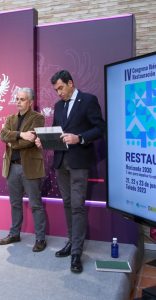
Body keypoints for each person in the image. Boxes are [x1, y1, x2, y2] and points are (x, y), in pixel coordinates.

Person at [36, 70, 105, 273]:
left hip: (79, 162)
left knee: (77, 207)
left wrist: (79, 138)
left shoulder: (88, 100)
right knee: (67, 204)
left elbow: (100, 128)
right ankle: (71, 242)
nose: (58, 93)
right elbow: (57, 133)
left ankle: (76, 252)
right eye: (56, 90)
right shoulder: (58, 106)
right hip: (61, 162)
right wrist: (43, 140)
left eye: (61, 88)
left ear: (71, 83)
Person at [0, 87, 47, 252]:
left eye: (22, 99)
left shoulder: (38, 118)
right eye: (17, 99)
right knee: (15, 203)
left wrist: (12, 141)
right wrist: (19, 134)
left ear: (30, 102)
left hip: (30, 167)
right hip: (12, 167)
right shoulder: (10, 118)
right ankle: (14, 233)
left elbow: (30, 141)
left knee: (35, 205)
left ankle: (40, 238)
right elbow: (2, 135)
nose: (18, 102)